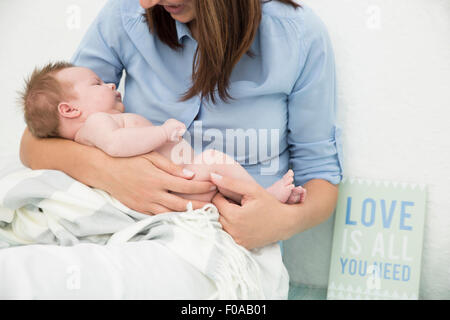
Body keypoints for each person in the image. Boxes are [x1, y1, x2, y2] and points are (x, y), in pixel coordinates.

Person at [19, 0, 344, 250]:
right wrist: (109, 172)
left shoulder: (298, 36)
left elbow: (321, 177)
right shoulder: (126, 15)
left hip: (234, 237)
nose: (147, 2)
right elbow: (38, 139)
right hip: (136, 225)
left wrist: (280, 222)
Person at [20, 62, 307, 205]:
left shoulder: (95, 124)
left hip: (179, 182)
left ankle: (253, 200)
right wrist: (163, 132)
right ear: (69, 110)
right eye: (96, 83)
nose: (109, 84)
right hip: (177, 180)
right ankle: (263, 198)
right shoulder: (96, 124)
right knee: (216, 160)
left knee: (219, 181)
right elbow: (116, 144)